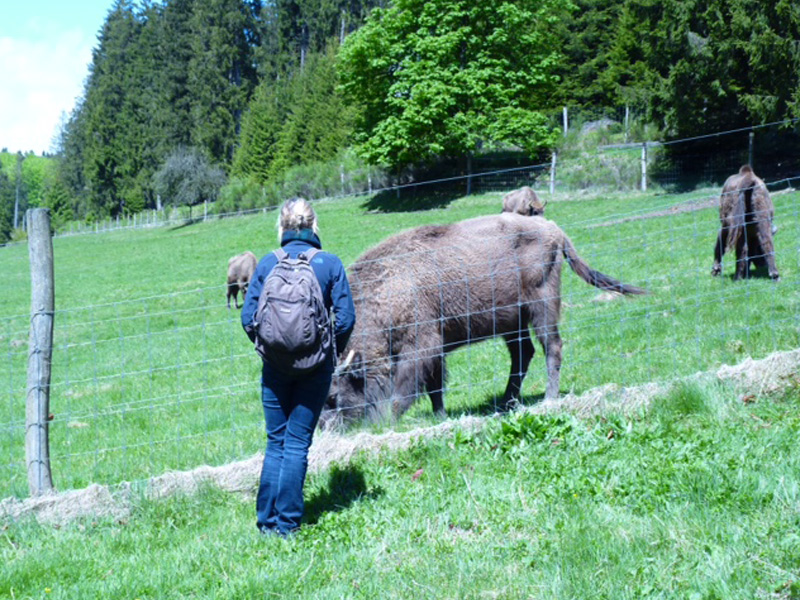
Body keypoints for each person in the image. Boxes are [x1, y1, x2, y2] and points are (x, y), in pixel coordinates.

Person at [241, 198, 356, 537]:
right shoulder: (330, 264)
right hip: (315, 370)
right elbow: (346, 319)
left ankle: (267, 524)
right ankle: (288, 526)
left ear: (282, 226)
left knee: (276, 441)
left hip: (274, 370)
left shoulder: (266, 264)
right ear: (314, 225)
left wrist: (271, 349)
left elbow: (248, 319)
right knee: (296, 443)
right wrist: (326, 352)